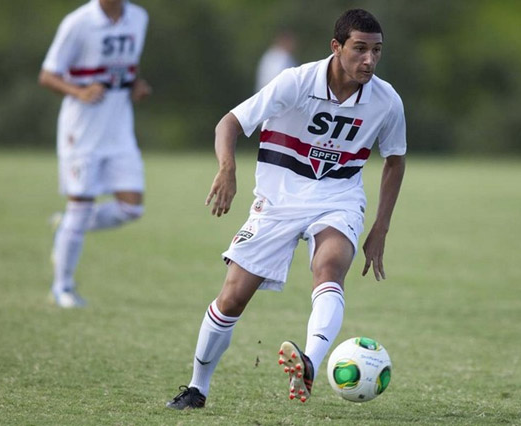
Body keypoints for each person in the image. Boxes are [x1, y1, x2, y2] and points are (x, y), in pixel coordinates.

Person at [166, 8, 406, 409]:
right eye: (360, 49)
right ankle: (197, 388)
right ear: (337, 47)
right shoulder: (295, 81)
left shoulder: (386, 100)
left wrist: (380, 227)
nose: (369, 60)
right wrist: (227, 167)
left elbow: (395, 159)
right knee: (232, 297)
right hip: (278, 200)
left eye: (377, 51)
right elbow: (229, 123)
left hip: (337, 197)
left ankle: (309, 363)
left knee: (329, 268)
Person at [39, 0, 151, 308]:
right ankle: (62, 288)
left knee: (132, 208)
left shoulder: (138, 17)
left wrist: (135, 85)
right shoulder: (78, 22)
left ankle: (68, 227)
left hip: (119, 129)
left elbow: (128, 66)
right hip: (82, 132)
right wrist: (79, 91)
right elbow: (48, 75)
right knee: (80, 206)